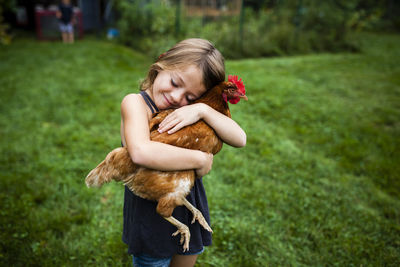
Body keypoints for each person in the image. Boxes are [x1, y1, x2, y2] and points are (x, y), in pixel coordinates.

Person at [121, 38, 246, 267]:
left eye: (190, 96)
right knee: (154, 261)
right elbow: (140, 152)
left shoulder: (191, 110)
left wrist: (202, 109)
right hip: (151, 212)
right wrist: (200, 159)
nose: (179, 98)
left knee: (186, 259)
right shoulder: (136, 104)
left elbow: (240, 138)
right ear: (161, 64)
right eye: (175, 82)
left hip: (189, 204)